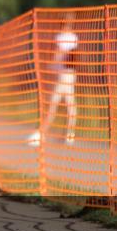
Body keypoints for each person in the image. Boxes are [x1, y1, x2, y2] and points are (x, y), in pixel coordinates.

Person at [27, 13, 79, 146]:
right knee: (65, 106)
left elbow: (65, 56)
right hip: (63, 75)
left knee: (59, 105)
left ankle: (48, 134)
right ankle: (65, 135)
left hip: (65, 75)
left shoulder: (67, 37)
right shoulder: (65, 37)